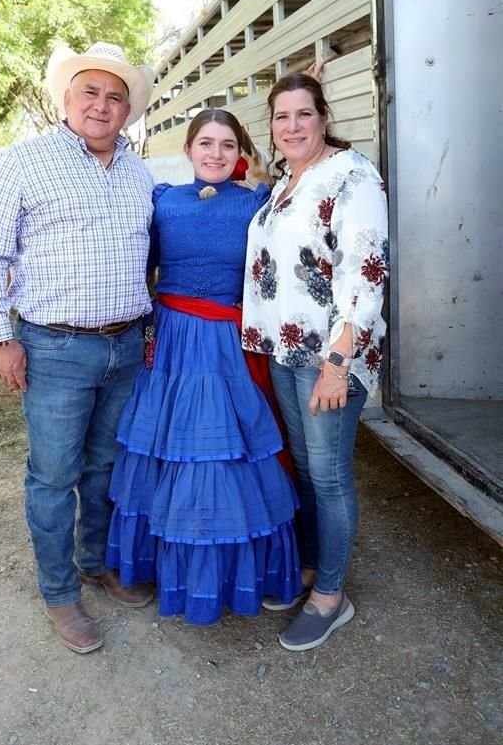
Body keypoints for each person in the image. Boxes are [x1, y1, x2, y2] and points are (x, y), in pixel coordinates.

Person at [0, 41, 157, 655]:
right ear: (67, 100)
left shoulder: (139, 172)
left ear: (127, 110)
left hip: (125, 348)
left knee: (105, 468)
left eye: (114, 97)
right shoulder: (25, 162)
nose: (101, 105)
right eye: (90, 93)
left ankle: (95, 562)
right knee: (53, 476)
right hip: (54, 349)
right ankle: (59, 592)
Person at [106, 109, 302, 626]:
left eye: (227, 145)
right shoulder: (163, 201)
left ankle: (239, 570)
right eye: (206, 143)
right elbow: (135, 266)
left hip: (228, 342)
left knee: (223, 452)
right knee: (170, 448)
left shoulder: (258, 203)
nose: (216, 154)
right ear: (189, 149)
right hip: (170, 341)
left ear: (242, 152)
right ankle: (164, 564)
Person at [242, 73, 388, 651]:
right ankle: (308, 570)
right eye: (281, 116)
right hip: (284, 349)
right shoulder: (284, 183)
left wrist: (336, 362)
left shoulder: (353, 175)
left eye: (304, 114)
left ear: (323, 117)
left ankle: (332, 596)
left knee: (328, 478)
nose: (292, 126)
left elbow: (365, 269)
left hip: (327, 355)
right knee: (305, 471)